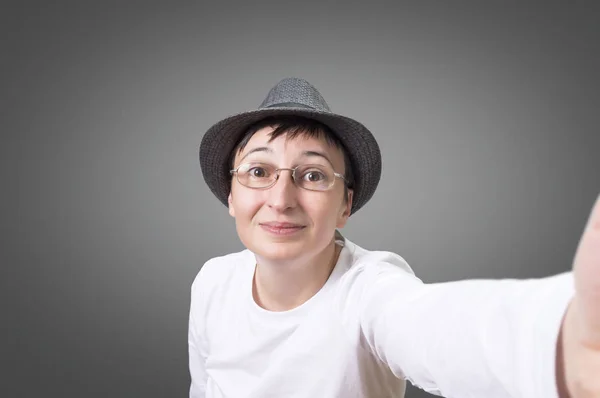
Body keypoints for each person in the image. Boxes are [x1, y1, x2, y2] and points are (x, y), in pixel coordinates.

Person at [189, 77, 600, 397]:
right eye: (258, 172)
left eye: (312, 175)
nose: (280, 199)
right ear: (231, 195)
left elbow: (430, 327)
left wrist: (567, 346)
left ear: (345, 205)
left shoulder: (370, 290)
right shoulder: (212, 281)